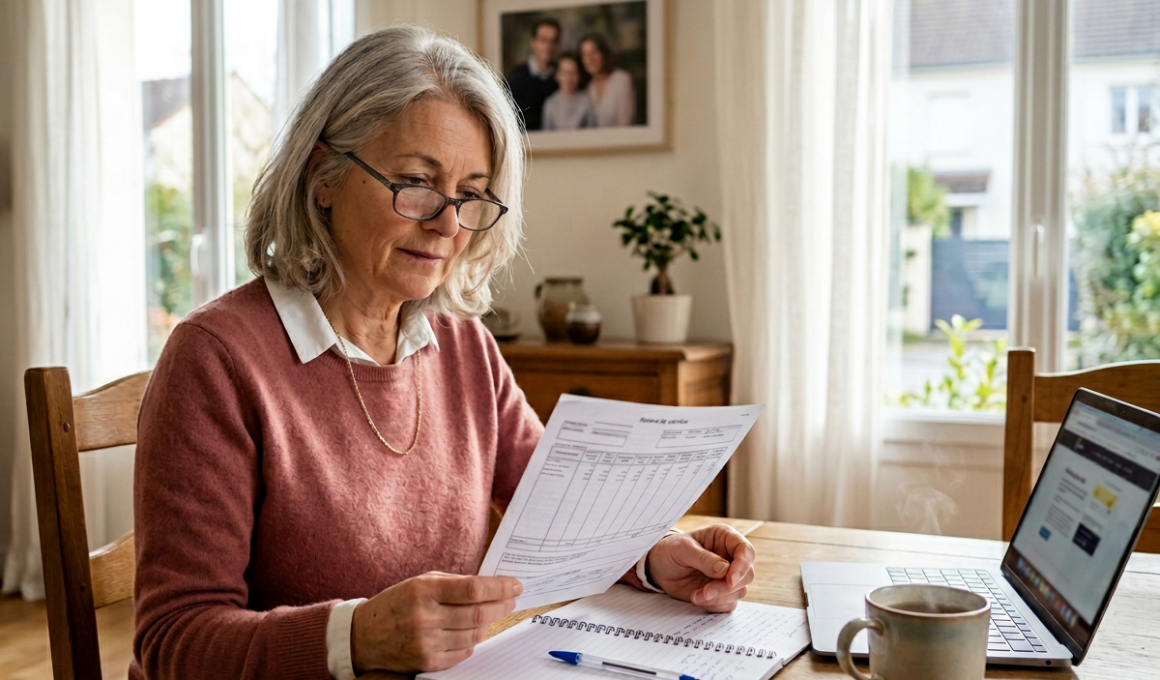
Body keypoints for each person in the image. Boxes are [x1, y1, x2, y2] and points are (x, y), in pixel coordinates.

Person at [131, 25, 756, 680]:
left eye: (471, 194)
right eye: (417, 183)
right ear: (324, 175)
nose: (448, 224)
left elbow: (565, 516)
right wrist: (355, 636)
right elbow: (174, 641)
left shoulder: (464, 347)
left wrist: (659, 558)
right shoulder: (216, 358)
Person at [504, 17, 561, 131]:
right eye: (543, 40)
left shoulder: (562, 77)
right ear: (533, 42)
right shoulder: (514, 79)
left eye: (553, 41)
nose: (547, 46)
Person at [579, 32, 636, 127]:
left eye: (594, 52)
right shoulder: (588, 88)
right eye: (585, 54)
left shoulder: (622, 80)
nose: (590, 59)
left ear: (604, 54)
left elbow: (626, 124)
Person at [541, 52, 597, 130]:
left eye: (573, 73)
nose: (569, 78)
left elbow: (592, 132)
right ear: (557, 75)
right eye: (565, 73)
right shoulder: (550, 104)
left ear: (579, 76)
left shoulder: (587, 101)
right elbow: (546, 134)